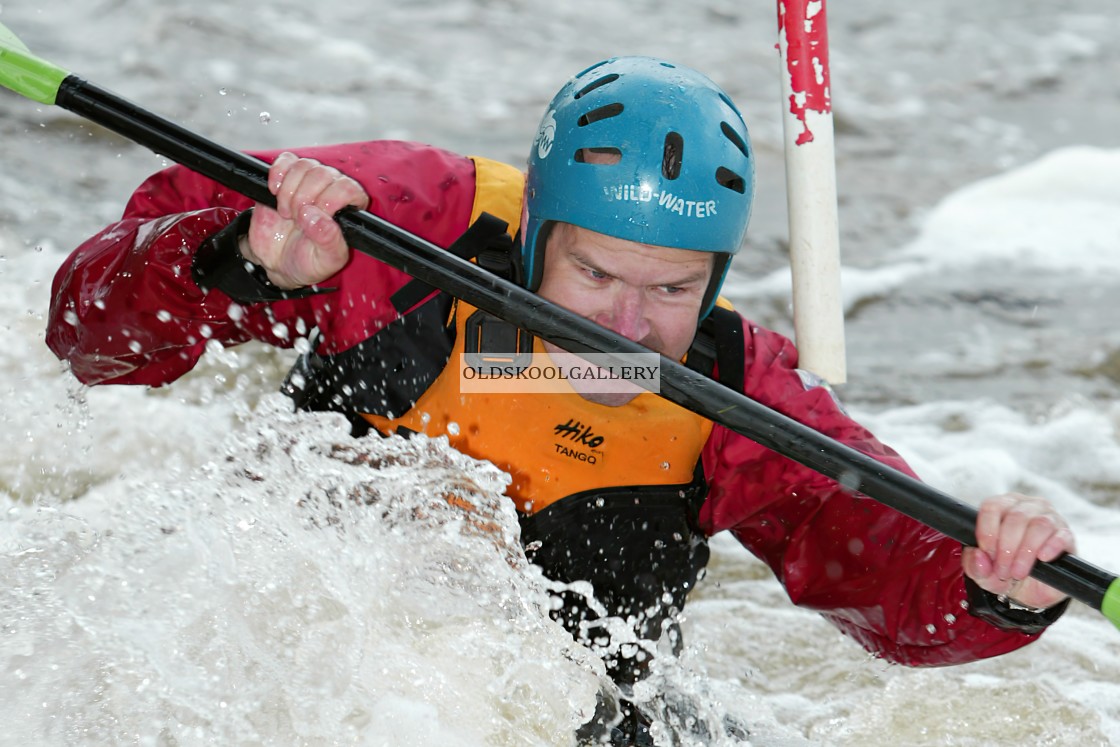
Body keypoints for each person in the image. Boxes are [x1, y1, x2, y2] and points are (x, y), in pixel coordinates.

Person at [47, 56, 1075, 743]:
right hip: (287, 664)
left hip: (587, 717)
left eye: (671, 289)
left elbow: (871, 556)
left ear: (714, 277)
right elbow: (90, 338)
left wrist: (990, 587)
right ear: (535, 226)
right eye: (592, 278)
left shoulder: (737, 390)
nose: (626, 328)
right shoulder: (397, 220)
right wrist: (243, 261)